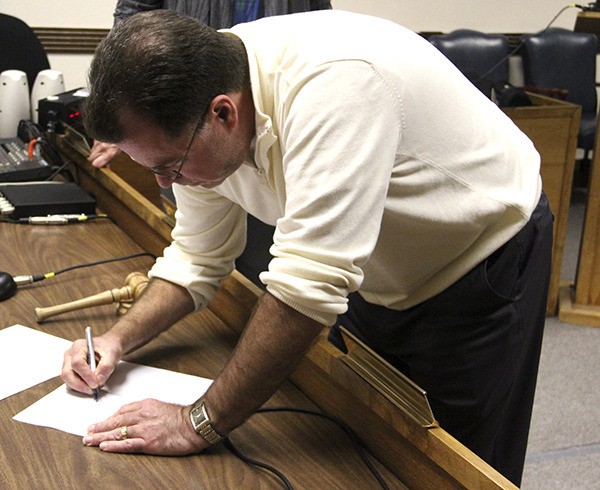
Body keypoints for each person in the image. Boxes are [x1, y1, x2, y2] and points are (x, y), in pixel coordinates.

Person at [61, 10, 553, 486]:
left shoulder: (337, 87)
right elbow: (197, 255)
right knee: (367, 443)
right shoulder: (194, 100)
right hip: (376, 265)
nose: (168, 182)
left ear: (224, 113)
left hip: (480, 255)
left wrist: (197, 422)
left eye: (170, 166)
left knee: (453, 462)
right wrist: (116, 341)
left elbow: (307, 288)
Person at [89, 0, 332, 168]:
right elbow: (134, 17)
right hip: (189, 102)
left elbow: (319, 15)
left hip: (278, 97)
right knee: (186, 178)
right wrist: (123, 114)